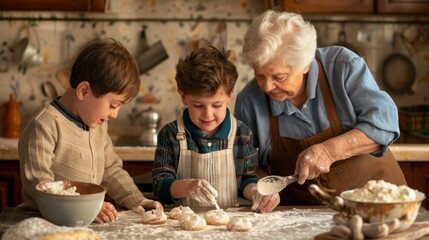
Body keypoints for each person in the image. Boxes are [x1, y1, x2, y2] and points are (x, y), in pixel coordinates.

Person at [234, 9, 406, 205]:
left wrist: (329, 150)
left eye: (279, 77)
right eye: (259, 75)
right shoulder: (249, 102)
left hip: (379, 200)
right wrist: (259, 189)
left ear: (305, 64)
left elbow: (385, 125)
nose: (266, 86)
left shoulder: (344, 67)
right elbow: (248, 166)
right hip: (305, 215)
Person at [18, 38, 163, 223]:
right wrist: (87, 207)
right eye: (113, 105)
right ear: (84, 91)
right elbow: (41, 185)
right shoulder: (44, 125)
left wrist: (138, 200)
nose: (115, 114)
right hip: (42, 223)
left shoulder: (98, 126)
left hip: (80, 222)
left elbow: (111, 170)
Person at [152, 45, 280, 213]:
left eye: (216, 105)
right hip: (182, 225)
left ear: (230, 95)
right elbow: (160, 185)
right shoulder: (171, 135)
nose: (208, 114)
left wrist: (257, 192)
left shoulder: (241, 134)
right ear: (183, 96)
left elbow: (246, 180)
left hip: (227, 225)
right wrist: (188, 187)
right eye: (198, 105)